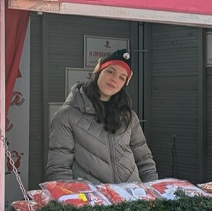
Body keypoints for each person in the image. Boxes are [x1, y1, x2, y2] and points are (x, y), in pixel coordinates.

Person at [46, 49, 158, 184]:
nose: (114, 79)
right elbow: (59, 168)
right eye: (110, 71)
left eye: (122, 77)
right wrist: (71, 200)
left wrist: (152, 192)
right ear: (98, 71)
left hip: (131, 198)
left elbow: (144, 160)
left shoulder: (129, 117)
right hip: (92, 200)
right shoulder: (67, 115)